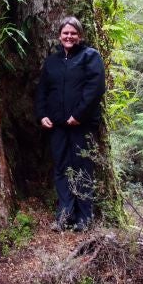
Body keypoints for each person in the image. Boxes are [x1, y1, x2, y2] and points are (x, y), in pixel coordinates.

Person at [35, 16, 105, 232]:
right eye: (65, 33)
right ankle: (65, 216)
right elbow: (42, 91)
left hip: (81, 125)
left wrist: (78, 115)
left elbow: (95, 89)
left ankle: (85, 218)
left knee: (83, 169)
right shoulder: (52, 62)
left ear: (80, 36)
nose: (69, 36)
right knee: (61, 169)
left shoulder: (90, 57)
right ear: (59, 36)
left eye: (73, 33)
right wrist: (42, 114)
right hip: (57, 126)